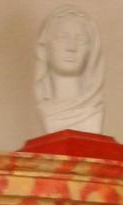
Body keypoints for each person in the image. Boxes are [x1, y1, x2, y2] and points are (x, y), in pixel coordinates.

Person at [34, 6, 104, 135]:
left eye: (81, 39)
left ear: (92, 50)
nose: (71, 47)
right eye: (62, 38)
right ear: (45, 46)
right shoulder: (46, 110)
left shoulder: (92, 110)